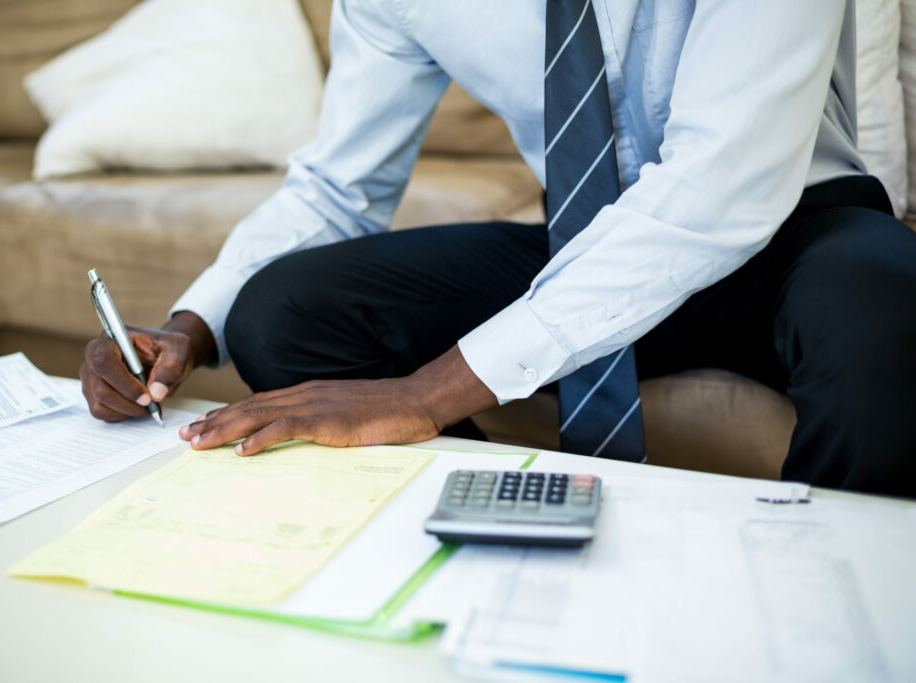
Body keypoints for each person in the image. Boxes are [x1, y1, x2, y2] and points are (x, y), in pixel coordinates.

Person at [80, 0, 916, 497]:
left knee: (886, 311)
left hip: (790, 224)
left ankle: (820, 597)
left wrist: (424, 392)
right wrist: (186, 328)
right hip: (587, 248)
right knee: (281, 310)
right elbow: (339, 186)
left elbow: (721, 182)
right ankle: (479, 531)